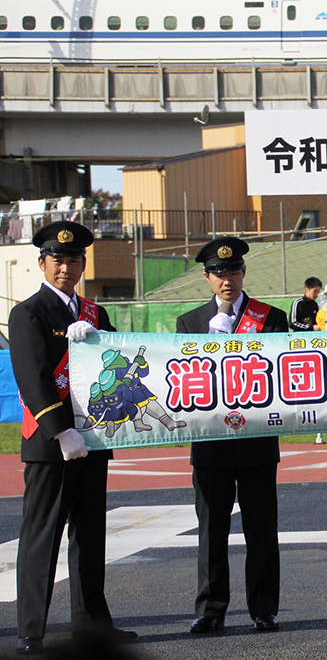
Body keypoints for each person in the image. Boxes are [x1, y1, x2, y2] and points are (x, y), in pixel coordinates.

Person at [9, 220, 137, 655]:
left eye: (74, 260)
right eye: (57, 260)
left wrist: (99, 337)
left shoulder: (94, 313)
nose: (66, 267)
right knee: (41, 537)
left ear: (84, 263)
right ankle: (30, 629)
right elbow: (32, 378)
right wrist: (60, 432)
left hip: (93, 439)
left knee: (90, 535)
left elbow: (119, 360)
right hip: (51, 444)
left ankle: (91, 625)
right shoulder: (27, 312)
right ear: (43, 263)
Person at [176, 236, 288, 634]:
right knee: (211, 530)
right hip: (210, 444)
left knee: (261, 528)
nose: (228, 279)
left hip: (257, 442)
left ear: (244, 273)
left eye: (234, 271)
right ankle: (211, 608)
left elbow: (281, 372)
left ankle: (264, 608)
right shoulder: (189, 324)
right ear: (207, 277)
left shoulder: (272, 318)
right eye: (219, 273)